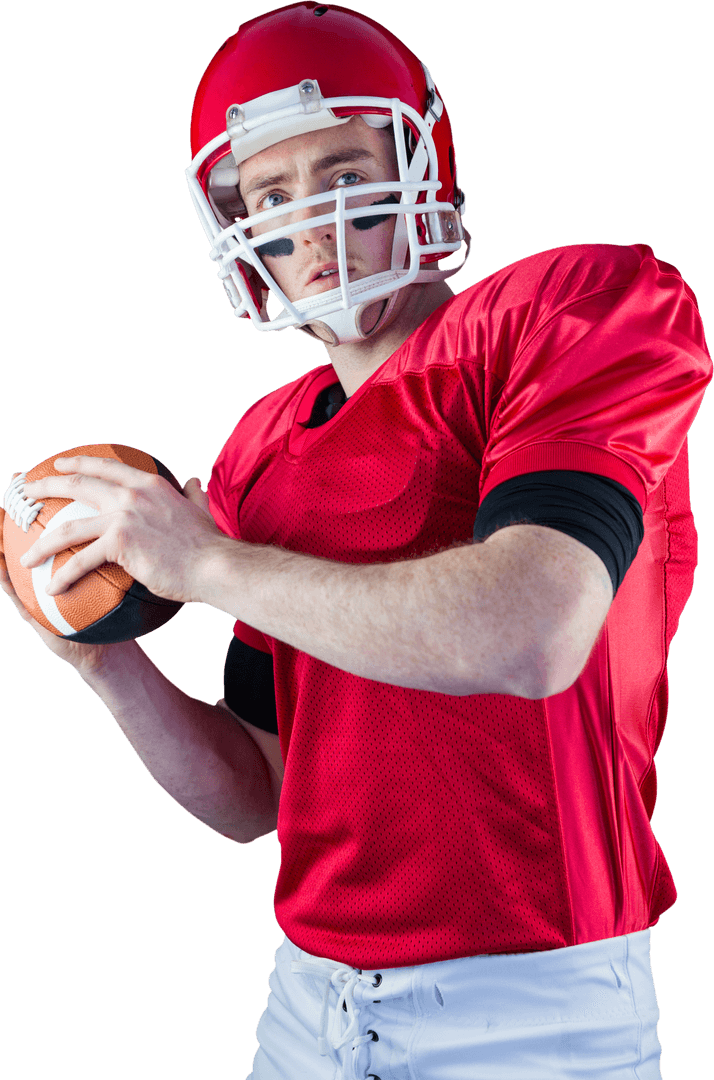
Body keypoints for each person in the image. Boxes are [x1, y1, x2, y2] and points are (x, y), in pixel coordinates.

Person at [1, 3, 711, 1078]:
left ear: (423, 173)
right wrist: (108, 664)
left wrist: (205, 564)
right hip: (306, 1006)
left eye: (344, 174)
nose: (315, 226)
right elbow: (259, 794)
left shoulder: (571, 309)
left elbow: (535, 632)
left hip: (533, 1006)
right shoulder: (258, 448)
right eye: (273, 197)